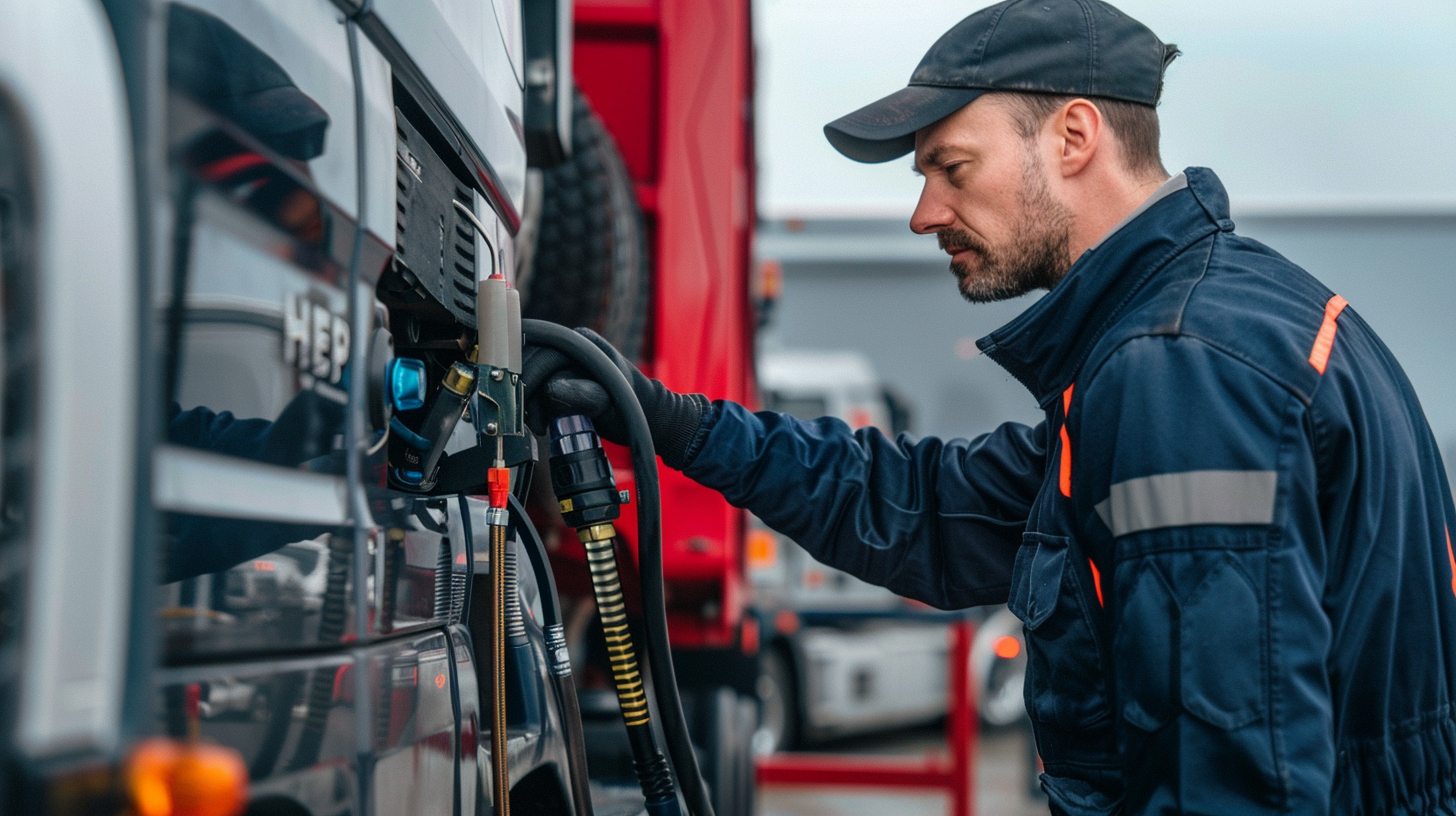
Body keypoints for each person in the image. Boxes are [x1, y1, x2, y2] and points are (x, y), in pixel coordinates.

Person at [525, 1, 1456, 812]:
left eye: (952, 168)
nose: (924, 213)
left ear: (1074, 137)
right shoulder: (1193, 335)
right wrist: (670, 420)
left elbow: (1226, 768)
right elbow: (924, 511)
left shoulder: (1180, 368)